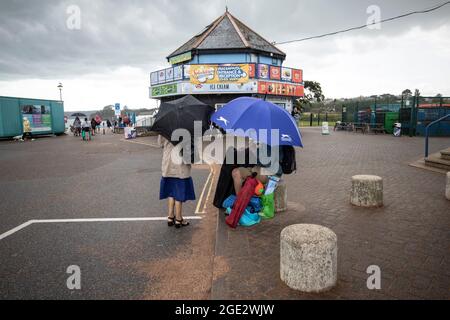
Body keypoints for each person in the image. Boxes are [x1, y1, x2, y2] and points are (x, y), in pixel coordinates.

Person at [158, 135, 195, 228]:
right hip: (180, 166)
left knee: (171, 191)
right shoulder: (186, 129)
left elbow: (160, 143)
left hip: (168, 165)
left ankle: (170, 217)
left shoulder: (164, 128)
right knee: (179, 192)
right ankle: (179, 219)